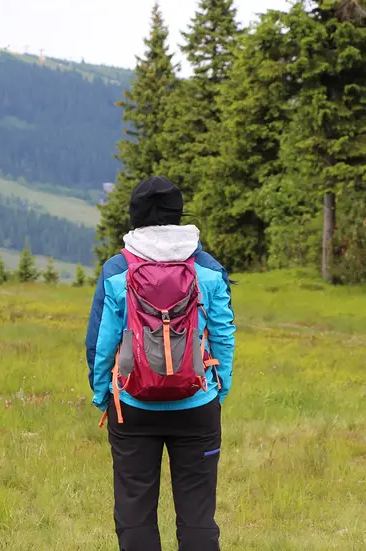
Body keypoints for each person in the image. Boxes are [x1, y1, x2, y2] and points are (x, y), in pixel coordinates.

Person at [85, 175, 236, 551]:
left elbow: (100, 344)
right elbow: (223, 333)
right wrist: (221, 387)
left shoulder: (117, 269)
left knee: (134, 514)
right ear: (177, 213)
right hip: (198, 404)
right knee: (198, 516)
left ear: (135, 216)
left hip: (133, 407)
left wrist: (102, 392)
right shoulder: (209, 268)